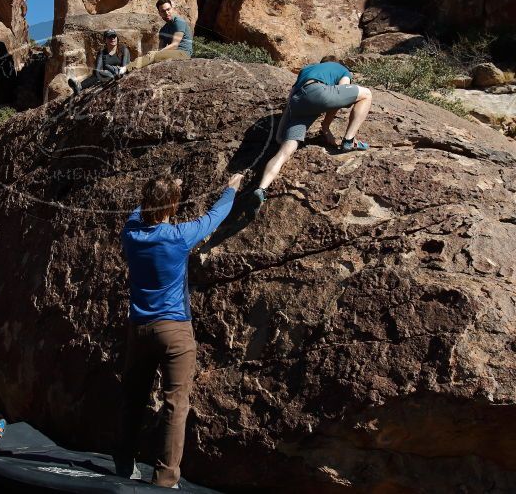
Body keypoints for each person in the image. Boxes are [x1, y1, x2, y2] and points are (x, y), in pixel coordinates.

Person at [116, 173, 243, 488]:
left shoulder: (131, 232)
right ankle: (165, 478)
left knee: (133, 397)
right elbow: (215, 216)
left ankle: (122, 464)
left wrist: (161, 188)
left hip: (139, 328)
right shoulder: (178, 236)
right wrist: (231, 189)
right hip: (174, 330)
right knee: (175, 403)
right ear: (172, 207)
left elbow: (139, 210)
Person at [249, 56, 373, 214]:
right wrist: (326, 127)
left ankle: (262, 188)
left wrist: (280, 134)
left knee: (285, 150)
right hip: (319, 93)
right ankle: (349, 140)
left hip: (298, 102)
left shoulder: (306, 69)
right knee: (367, 94)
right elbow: (339, 94)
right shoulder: (342, 69)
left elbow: (289, 102)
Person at [122, 0, 193, 73]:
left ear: (172, 9)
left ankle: (125, 69)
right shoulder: (163, 30)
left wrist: (157, 53)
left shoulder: (178, 22)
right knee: (152, 55)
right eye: (163, 11)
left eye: (168, 9)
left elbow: (175, 45)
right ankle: (127, 68)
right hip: (171, 54)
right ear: (160, 13)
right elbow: (161, 48)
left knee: (154, 55)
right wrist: (155, 53)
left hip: (183, 53)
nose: (166, 13)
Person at [68, 29, 131, 95]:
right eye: (109, 37)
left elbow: (125, 67)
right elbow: (98, 70)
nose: (112, 39)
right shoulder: (101, 53)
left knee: (107, 68)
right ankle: (79, 86)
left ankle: (79, 86)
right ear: (105, 40)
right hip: (107, 75)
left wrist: (117, 70)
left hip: (120, 72)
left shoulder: (123, 49)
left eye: (114, 36)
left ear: (117, 38)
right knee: (98, 73)